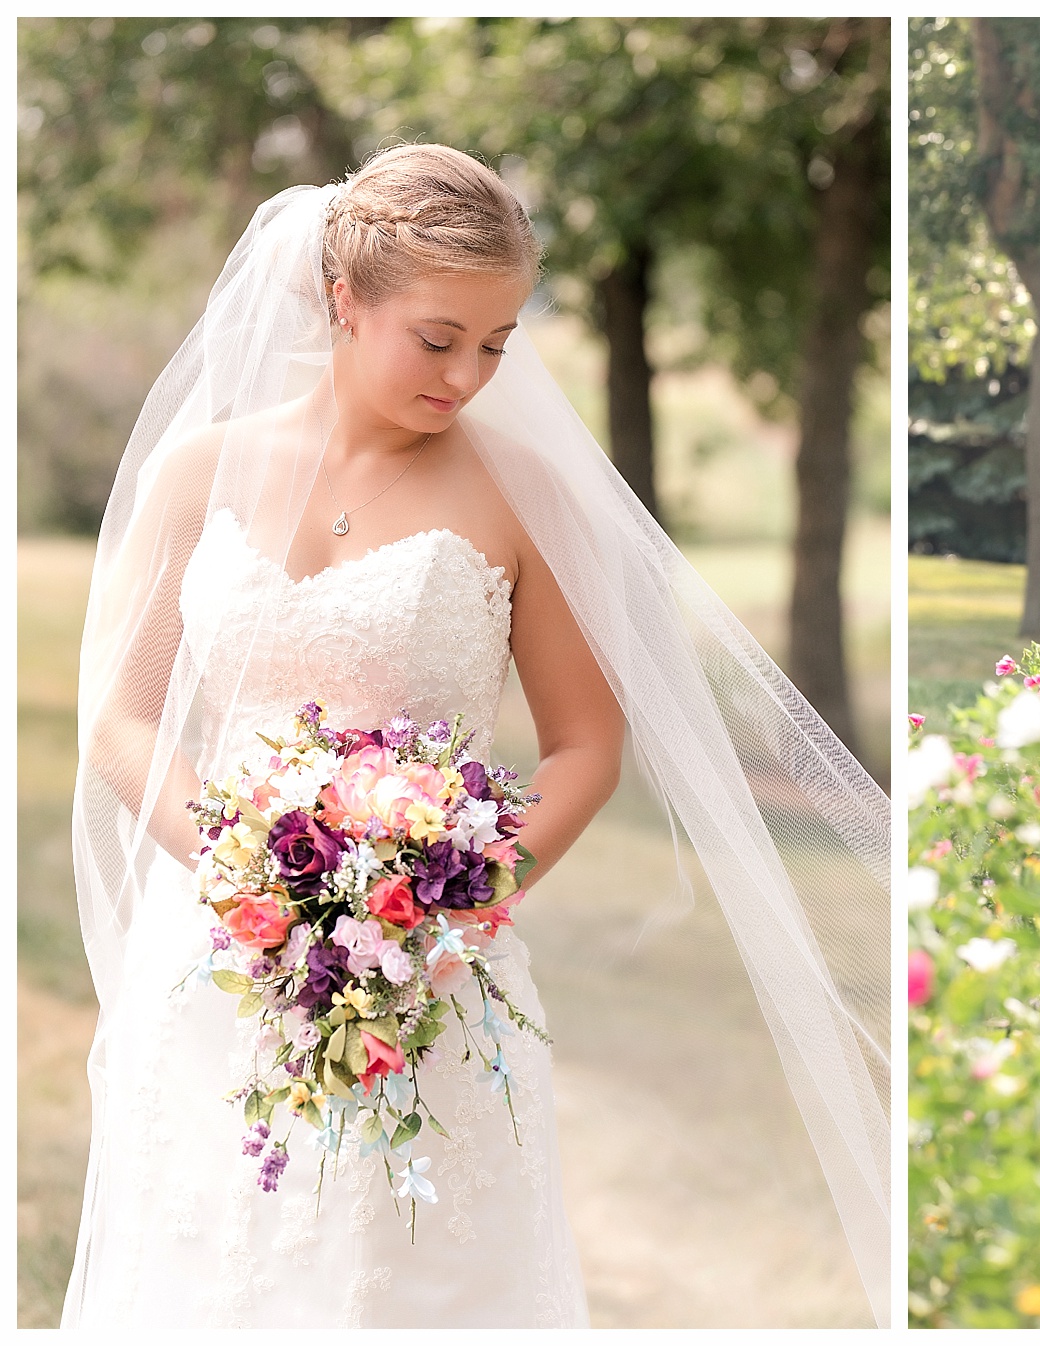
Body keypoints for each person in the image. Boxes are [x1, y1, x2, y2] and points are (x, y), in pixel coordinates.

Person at [64, 144, 889, 1327]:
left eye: (498, 344)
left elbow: (585, 748)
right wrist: (256, 879)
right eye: (440, 337)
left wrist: (450, 897)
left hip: (433, 962)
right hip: (216, 956)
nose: (470, 374)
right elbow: (122, 717)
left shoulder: (523, 493)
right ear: (342, 301)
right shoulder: (200, 475)